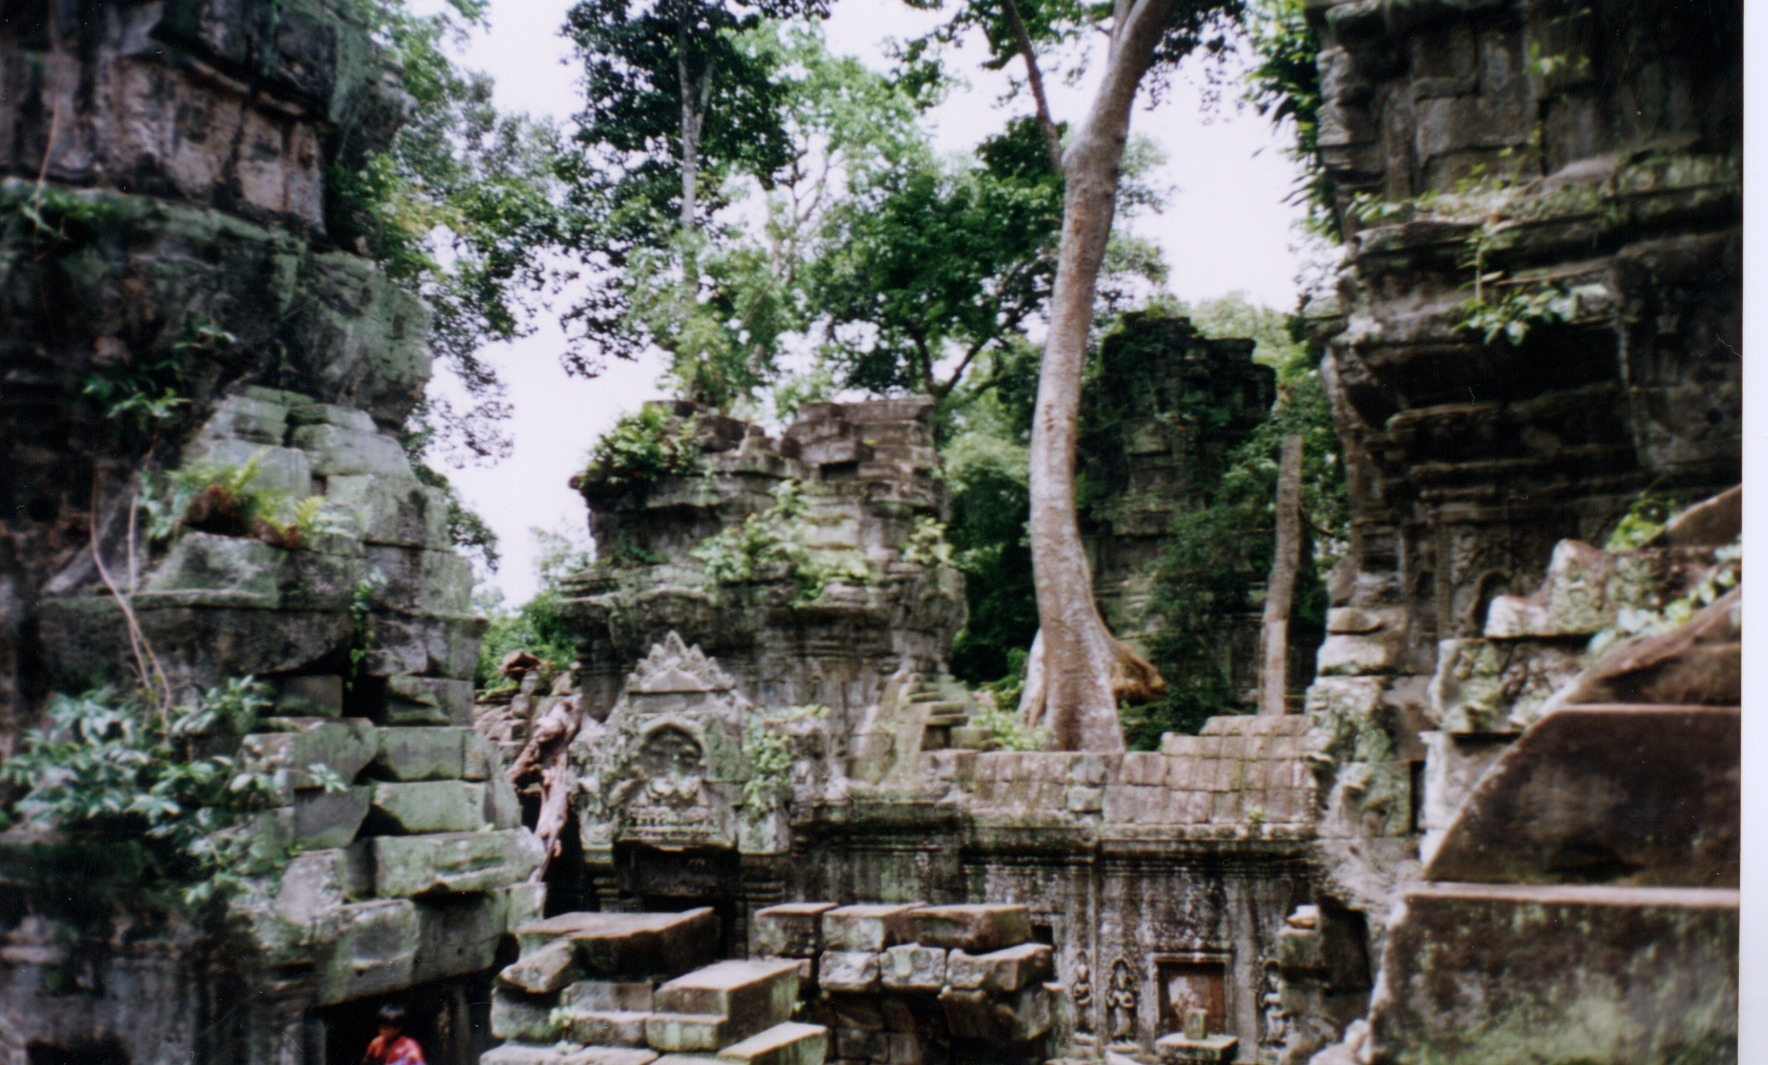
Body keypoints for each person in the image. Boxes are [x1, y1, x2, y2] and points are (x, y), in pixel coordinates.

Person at [361, 1005, 425, 1065]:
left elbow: (417, 1059)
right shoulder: (375, 1043)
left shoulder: (409, 1046)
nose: (382, 1031)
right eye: (381, 1027)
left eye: (386, 1028)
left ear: (398, 1028)